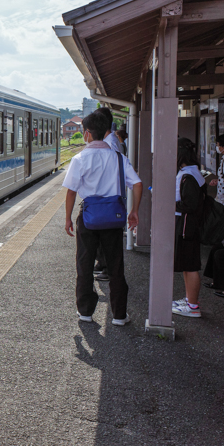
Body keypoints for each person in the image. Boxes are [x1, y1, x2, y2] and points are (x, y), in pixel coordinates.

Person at [64, 111, 143, 325]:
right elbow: (137, 184)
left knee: (85, 263)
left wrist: (68, 218)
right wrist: (134, 211)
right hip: (113, 218)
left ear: (88, 134)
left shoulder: (80, 158)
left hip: (88, 217)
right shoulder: (118, 158)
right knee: (115, 266)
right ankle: (119, 315)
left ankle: (85, 312)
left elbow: (71, 191)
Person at [172, 139, 205, 318]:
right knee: (187, 264)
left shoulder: (189, 176)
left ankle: (193, 306)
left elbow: (190, 204)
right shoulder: (192, 172)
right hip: (188, 224)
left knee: (190, 265)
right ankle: (189, 299)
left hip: (187, 225)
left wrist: (170, 202)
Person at [93, 107, 122, 281]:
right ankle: (102, 264)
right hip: (108, 195)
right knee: (103, 235)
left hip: (108, 196)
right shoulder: (110, 140)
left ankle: (107, 268)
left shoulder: (110, 143)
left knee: (106, 236)